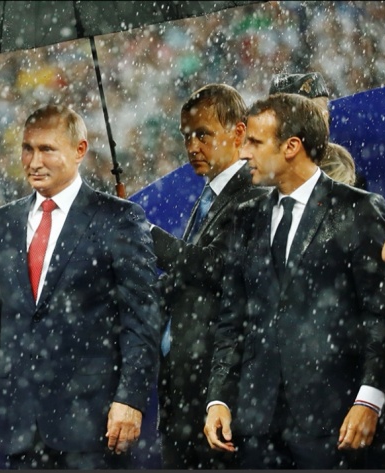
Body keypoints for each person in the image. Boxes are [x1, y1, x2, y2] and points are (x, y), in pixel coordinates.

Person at [0, 104, 160, 469]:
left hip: (94, 427)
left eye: (47, 149)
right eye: (28, 148)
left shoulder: (118, 219)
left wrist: (130, 399)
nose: (34, 161)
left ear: (80, 150)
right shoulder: (2, 223)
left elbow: (142, 320)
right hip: (21, 426)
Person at [203, 93, 385, 469]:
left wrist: (370, 399)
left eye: (254, 142)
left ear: (291, 147)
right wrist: (218, 398)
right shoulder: (246, 216)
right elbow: (231, 321)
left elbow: (382, 316)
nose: (243, 153)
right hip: (255, 426)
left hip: (335, 421)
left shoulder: (356, 210)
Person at [151, 83, 267, 469]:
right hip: (181, 392)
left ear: (238, 132)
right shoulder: (209, 195)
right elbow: (187, 279)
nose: (192, 146)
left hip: (217, 391)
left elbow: (216, 266)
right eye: (186, 136)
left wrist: (146, 235)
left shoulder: (255, 192)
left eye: (203, 134)